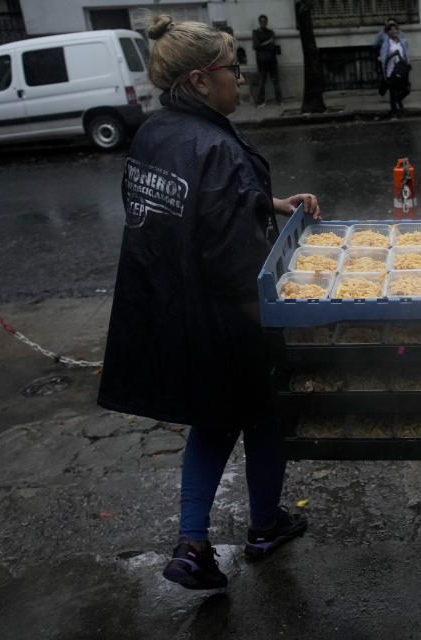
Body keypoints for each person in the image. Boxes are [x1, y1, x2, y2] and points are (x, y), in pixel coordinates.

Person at [98, 14, 321, 590]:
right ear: (200, 80)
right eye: (233, 69)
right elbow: (234, 265)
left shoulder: (155, 132)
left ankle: (195, 541)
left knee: (214, 422)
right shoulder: (219, 148)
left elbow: (188, 201)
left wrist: (267, 202)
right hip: (223, 321)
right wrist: (282, 327)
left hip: (172, 307)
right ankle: (259, 528)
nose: (241, 79)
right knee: (264, 414)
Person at [379, 22, 410, 117]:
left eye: (395, 29)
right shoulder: (386, 44)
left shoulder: (402, 42)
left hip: (401, 70)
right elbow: (383, 59)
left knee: (407, 90)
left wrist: (406, 62)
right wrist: (391, 55)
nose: (393, 31)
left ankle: (398, 101)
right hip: (391, 70)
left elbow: (406, 54)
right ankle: (394, 111)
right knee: (393, 92)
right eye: (391, 30)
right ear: (387, 32)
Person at [252, 14, 281, 106]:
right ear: (259, 22)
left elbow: (272, 46)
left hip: (272, 60)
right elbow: (255, 46)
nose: (263, 23)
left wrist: (262, 45)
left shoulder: (270, 32)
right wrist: (267, 42)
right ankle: (260, 101)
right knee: (262, 82)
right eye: (261, 21)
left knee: (275, 80)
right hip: (261, 61)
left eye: (264, 21)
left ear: (266, 22)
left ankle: (279, 100)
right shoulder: (255, 32)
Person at [373, 18, 398, 96]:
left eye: (393, 25)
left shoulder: (399, 33)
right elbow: (375, 46)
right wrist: (378, 56)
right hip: (385, 57)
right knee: (387, 76)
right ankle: (383, 89)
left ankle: (396, 93)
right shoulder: (381, 34)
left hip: (395, 57)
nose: (392, 28)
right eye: (389, 25)